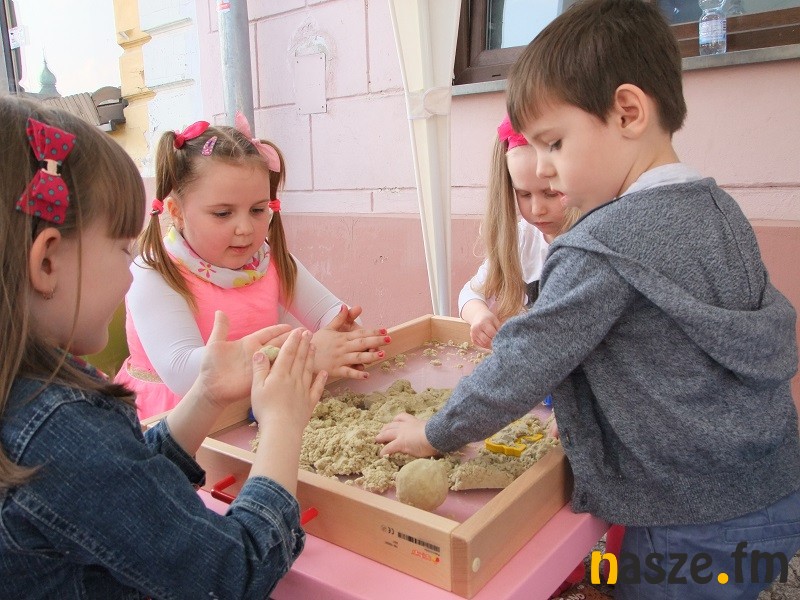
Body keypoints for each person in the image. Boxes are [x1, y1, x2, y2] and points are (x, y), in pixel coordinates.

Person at [376, 1, 800, 598]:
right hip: (772, 486)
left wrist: (435, 432)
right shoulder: (718, 208)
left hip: (689, 518)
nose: (545, 170)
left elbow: (522, 363)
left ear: (628, 112)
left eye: (553, 143)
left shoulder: (599, 245)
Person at [0, 94, 327, 598]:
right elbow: (232, 574)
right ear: (47, 262)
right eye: (122, 248)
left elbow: (125, 483)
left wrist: (206, 396)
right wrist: (283, 422)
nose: (131, 271)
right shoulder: (61, 428)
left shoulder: (30, 398)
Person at [116, 115, 389, 419]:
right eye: (223, 214)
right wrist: (306, 355)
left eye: (258, 210)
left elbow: (332, 313)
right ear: (176, 212)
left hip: (255, 409)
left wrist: (347, 333)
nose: (245, 228)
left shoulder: (267, 260)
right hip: (175, 422)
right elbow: (185, 375)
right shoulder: (154, 273)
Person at [460, 115, 580, 349]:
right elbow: (470, 293)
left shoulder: (588, 243)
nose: (537, 209)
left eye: (550, 193)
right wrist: (479, 315)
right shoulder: (522, 238)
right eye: (524, 194)